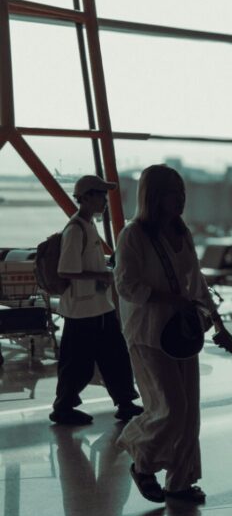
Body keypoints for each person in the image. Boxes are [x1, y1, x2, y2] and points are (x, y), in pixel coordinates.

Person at [115, 164, 226, 505]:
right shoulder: (134, 235)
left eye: (182, 192)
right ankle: (141, 457)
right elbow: (125, 284)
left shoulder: (182, 232)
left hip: (182, 332)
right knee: (170, 407)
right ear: (153, 196)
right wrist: (168, 299)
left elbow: (197, 282)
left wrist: (217, 320)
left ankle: (180, 483)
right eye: (171, 193)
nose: (180, 199)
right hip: (148, 333)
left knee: (189, 412)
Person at [50, 175, 142, 425]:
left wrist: (103, 269)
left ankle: (125, 402)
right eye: (100, 195)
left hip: (98, 307)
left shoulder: (89, 225)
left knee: (115, 356)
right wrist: (101, 274)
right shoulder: (76, 229)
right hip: (81, 310)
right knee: (77, 363)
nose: (104, 200)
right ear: (86, 197)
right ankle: (63, 407)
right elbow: (65, 270)